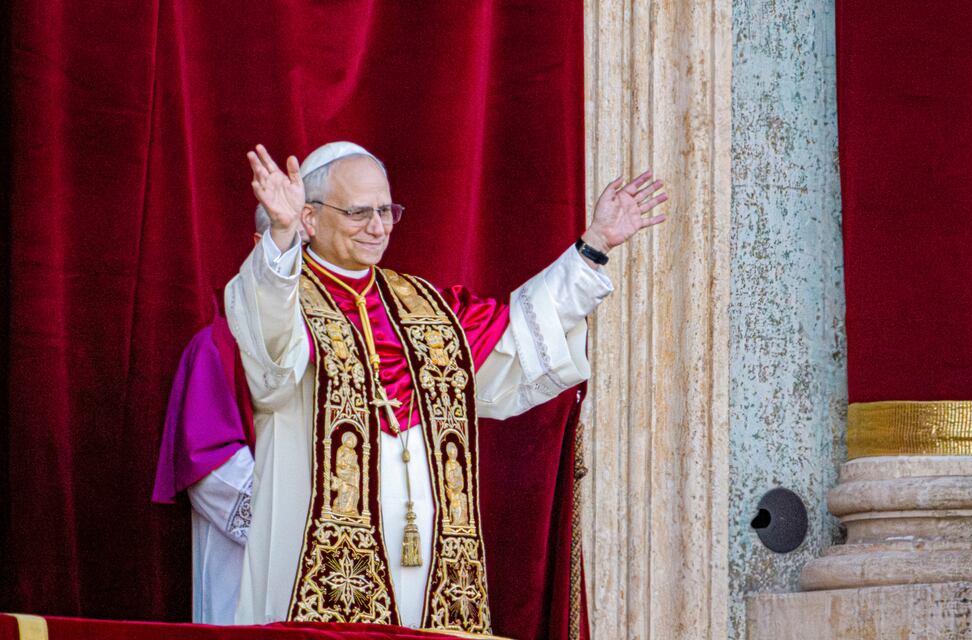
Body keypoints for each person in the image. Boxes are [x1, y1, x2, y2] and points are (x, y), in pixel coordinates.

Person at [225, 141, 667, 631]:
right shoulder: (284, 296)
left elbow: (518, 338)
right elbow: (270, 347)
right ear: (309, 218)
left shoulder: (426, 307)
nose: (377, 227)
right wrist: (282, 240)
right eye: (358, 212)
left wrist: (593, 247)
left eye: (386, 210)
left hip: (430, 569)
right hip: (314, 567)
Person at [152, 209, 283, 624]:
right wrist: (294, 521)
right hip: (245, 561)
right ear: (262, 249)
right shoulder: (218, 345)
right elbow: (209, 466)